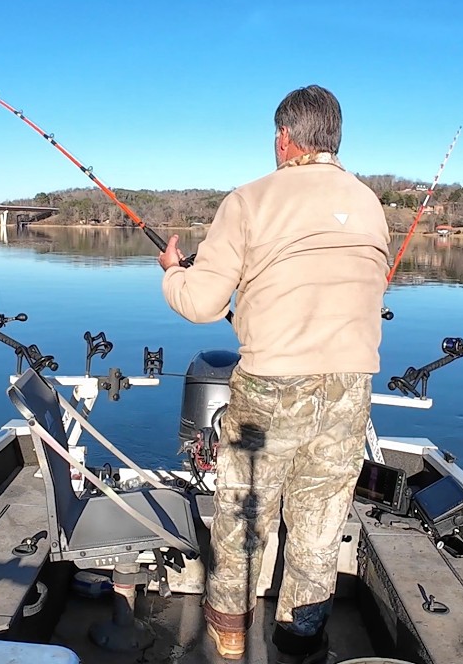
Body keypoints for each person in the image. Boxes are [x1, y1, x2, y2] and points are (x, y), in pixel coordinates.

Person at [158, 85, 390, 663]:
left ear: (284, 138)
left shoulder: (249, 199)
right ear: (333, 138)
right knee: (320, 519)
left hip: (271, 387)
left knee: (243, 512)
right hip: (350, 388)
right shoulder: (369, 203)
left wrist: (171, 272)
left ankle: (231, 630)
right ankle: (300, 636)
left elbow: (202, 304)